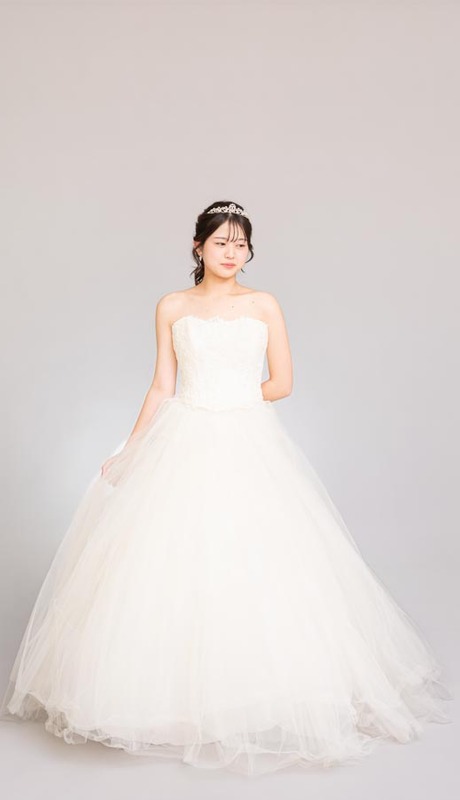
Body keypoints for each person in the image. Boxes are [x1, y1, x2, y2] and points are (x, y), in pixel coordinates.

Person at [0, 201, 452, 777]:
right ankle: (177, 702)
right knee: (171, 566)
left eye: (241, 243)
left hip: (247, 438)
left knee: (257, 562)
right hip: (182, 436)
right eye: (221, 242)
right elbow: (162, 384)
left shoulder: (264, 305)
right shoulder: (172, 306)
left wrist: (229, 400)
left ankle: (252, 695)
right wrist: (132, 448)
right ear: (198, 247)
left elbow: (282, 382)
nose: (232, 252)